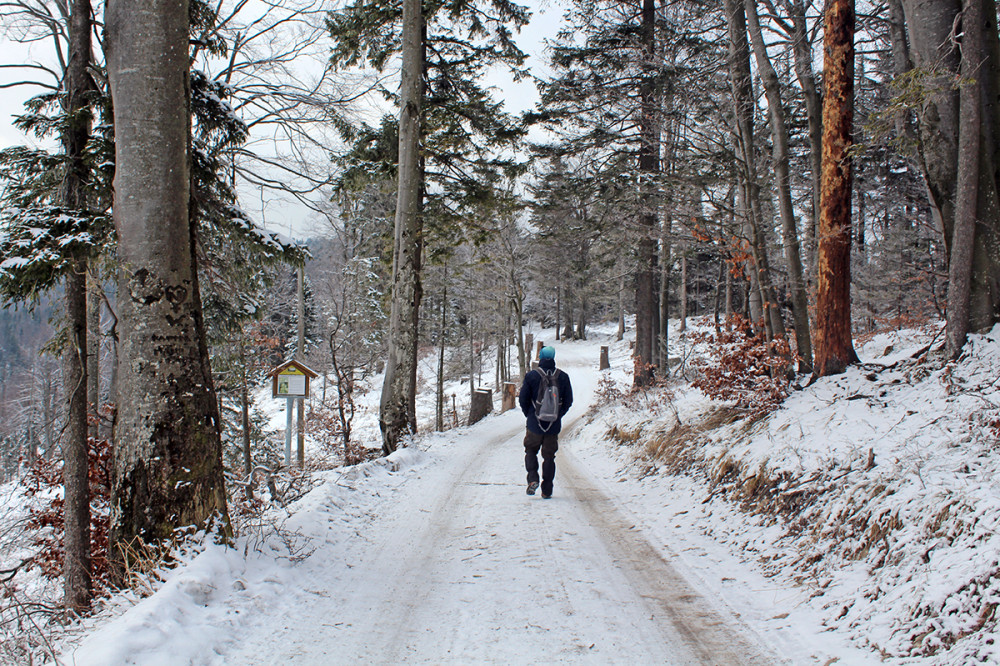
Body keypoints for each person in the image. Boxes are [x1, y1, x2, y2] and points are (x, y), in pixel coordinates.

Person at [518, 345, 573, 499]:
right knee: (549, 456)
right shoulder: (563, 376)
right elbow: (569, 400)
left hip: (534, 424)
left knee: (530, 450)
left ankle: (533, 478)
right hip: (553, 426)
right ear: (553, 358)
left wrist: (529, 414)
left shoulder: (532, 376)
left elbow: (523, 399)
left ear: (541, 357)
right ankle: (547, 490)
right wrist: (558, 414)